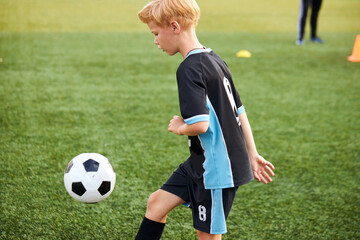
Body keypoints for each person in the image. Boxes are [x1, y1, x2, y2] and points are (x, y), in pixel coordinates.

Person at [135, 1, 275, 239]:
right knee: (156, 204)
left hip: (218, 170)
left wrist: (180, 127)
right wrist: (252, 154)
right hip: (200, 162)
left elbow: (200, 125)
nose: (155, 41)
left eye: (156, 33)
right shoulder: (214, 58)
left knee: (207, 236)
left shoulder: (189, 68)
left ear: (174, 26)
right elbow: (240, 111)